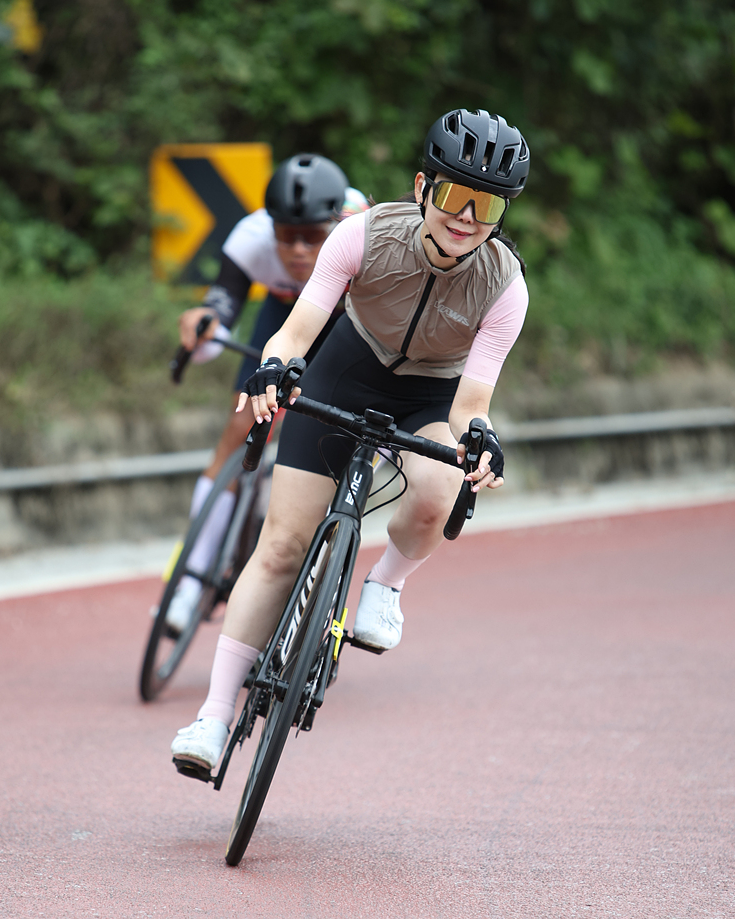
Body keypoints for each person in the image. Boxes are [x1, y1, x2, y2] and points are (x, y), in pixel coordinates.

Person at [171, 109, 531, 775]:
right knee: (281, 546)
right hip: (345, 369)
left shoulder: (504, 286)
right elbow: (297, 330)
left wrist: (480, 439)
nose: (466, 218)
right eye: (456, 196)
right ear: (423, 187)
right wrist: (275, 367)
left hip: (431, 396)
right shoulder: (363, 235)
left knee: (439, 489)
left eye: (486, 207)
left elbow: (471, 405)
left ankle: (385, 585)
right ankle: (213, 718)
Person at [164, 155, 368, 631]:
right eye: (286, 236)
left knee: (332, 438)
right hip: (282, 314)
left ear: (336, 224)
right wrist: (203, 327)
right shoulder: (250, 237)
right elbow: (223, 307)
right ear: (269, 226)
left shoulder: (362, 232)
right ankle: (190, 582)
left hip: (345, 320)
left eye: (312, 237)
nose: (297, 250)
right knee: (240, 427)